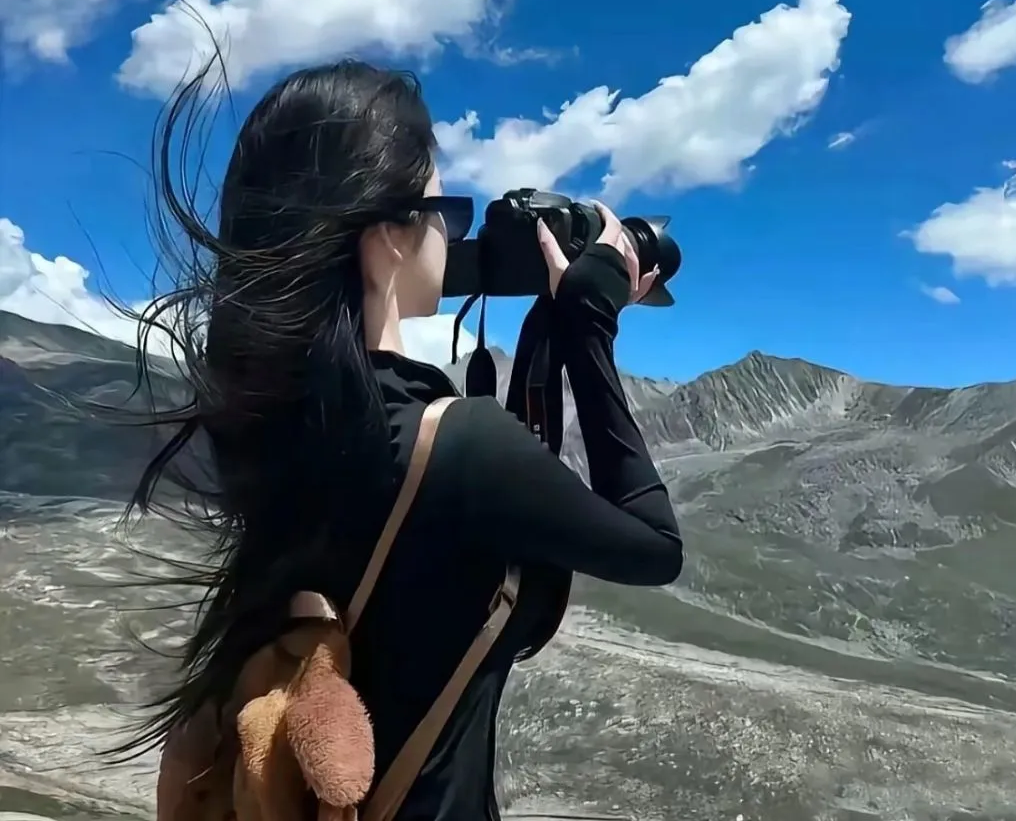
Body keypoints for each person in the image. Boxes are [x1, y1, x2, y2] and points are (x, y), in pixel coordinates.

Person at [122, 59, 683, 821]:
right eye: (442, 211)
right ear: (386, 234)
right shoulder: (458, 446)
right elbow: (654, 547)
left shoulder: (266, 422)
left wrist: (548, 323)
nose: (451, 237)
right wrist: (589, 327)